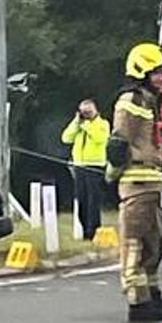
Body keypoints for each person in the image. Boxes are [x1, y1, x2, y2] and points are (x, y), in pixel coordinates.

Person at [105, 43, 162, 322]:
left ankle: (151, 293)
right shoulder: (131, 101)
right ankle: (138, 302)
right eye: (159, 72)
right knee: (134, 243)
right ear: (143, 73)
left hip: (149, 183)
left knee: (155, 243)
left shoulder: (148, 101)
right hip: (136, 183)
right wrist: (113, 174)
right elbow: (118, 143)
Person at [61, 98, 109, 241]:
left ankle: (94, 230)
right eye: (83, 112)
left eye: (89, 111)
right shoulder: (79, 125)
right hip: (79, 166)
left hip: (95, 166)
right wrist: (77, 122)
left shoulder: (102, 124)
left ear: (95, 110)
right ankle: (85, 231)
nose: (86, 114)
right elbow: (66, 138)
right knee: (82, 200)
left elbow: (100, 138)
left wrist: (87, 125)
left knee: (93, 201)